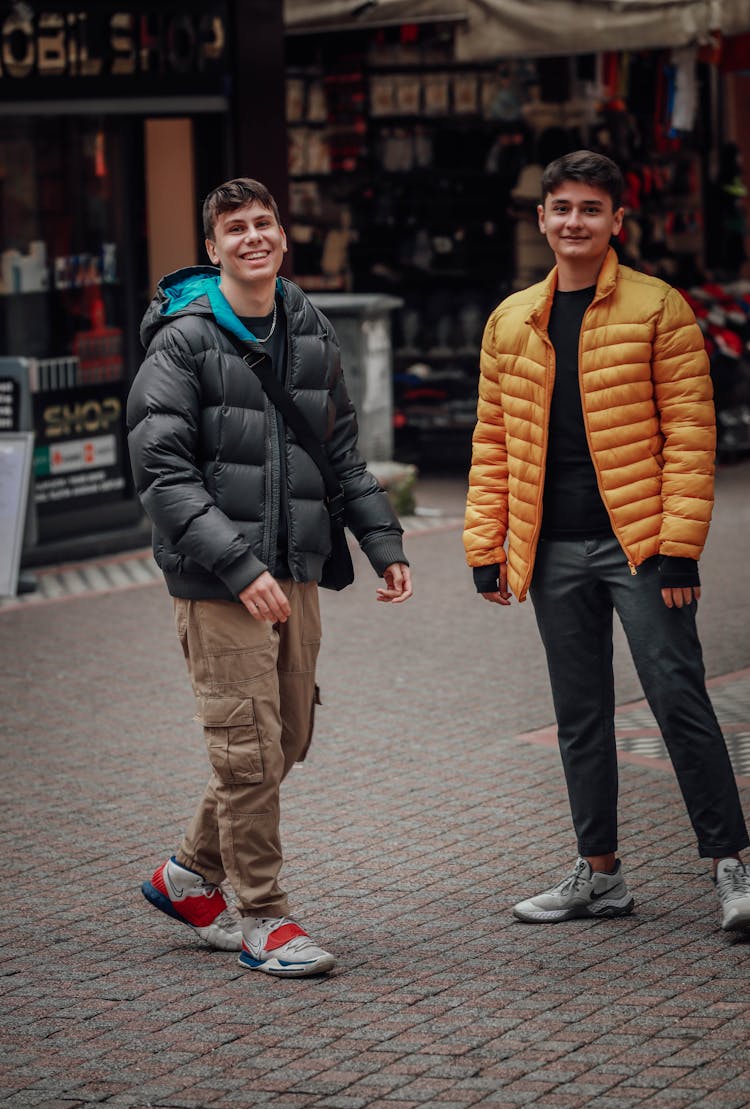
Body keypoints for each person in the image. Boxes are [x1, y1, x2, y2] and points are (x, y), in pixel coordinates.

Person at [127, 177, 412, 977]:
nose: (252, 235)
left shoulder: (309, 326)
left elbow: (340, 449)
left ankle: (187, 873)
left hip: (298, 569)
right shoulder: (182, 341)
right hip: (218, 580)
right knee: (247, 752)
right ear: (212, 248)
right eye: (233, 227)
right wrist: (238, 562)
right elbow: (162, 471)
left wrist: (383, 540)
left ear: (282, 237)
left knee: (286, 737)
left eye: (264, 222)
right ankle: (263, 919)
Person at [463, 150, 750, 932]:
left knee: (678, 698)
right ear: (542, 218)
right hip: (552, 550)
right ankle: (601, 876)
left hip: (642, 547)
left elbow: (692, 434)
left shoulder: (659, 308)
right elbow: (493, 439)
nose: (574, 222)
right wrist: (486, 545)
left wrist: (680, 545)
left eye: (591, 209)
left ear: (617, 220)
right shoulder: (511, 318)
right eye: (562, 208)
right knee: (578, 713)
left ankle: (732, 866)